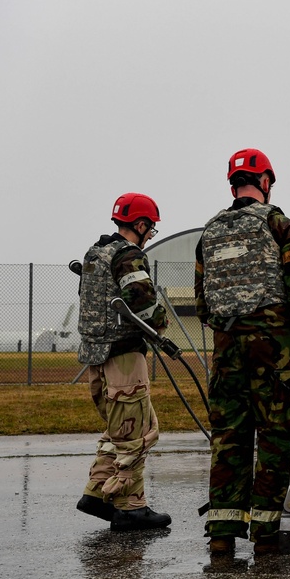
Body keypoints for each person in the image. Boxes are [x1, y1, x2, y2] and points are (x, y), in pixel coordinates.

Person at [195, 148, 290, 557]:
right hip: (273, 346)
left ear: (233, 184)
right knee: (275, 435)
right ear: (265, 182)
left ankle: (222, 533)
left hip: (227, 347)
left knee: (229, 437)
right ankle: (268, 536)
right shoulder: (277, 223)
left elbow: (202, 302)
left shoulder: (209, 232)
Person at [75, 192, 172, 531]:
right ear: (141, 225)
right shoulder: (128, 256)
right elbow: (143, 301)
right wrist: (162, 321)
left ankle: (98, 492)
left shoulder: (94, 254)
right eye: (151, 229)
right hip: (123, 357)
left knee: (117, 430)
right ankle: (131, 507)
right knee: (139, 430)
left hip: (94, 358)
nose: (150, 236)